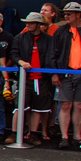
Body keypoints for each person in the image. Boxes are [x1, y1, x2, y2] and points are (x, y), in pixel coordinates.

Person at [51, 1, 81, 149]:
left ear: (79, 15)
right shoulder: (60, 31)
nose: (66, 16)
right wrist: (54, 73)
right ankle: (65, 136)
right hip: (65, 72)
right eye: (65, 13)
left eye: (69, 13)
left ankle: (78, 136)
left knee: (79, 105)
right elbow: (53, 53)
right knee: (65, 104)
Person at [9, 12, 55, 146]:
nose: (28, 25)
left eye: (31, 23)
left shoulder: (48, 39)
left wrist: (51, 74)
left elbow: (51, 57)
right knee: (19, 107)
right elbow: (14, 54)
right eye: (27, 23)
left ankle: (33, 134)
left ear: (39, 25)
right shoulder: (20, 38)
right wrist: (21, 62)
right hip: (25, 78)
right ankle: (14, 133)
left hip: (42, 79)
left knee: (39, 109)